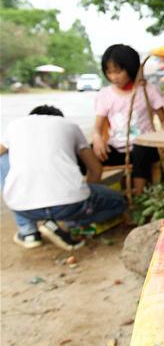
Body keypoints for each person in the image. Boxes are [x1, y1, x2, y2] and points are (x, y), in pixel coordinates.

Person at [1, 105, 126, 251]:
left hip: (22, 208)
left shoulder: (14, 126)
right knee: (119, 203)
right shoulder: (70, 126)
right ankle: (70, 224)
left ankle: (28, 232)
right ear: (59, 118)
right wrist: (85, 195)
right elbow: (96, 169)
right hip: (69, 206)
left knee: (3, 158)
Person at [93, 44, 164, 197]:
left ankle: (138, 197)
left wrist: (163, 143)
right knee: (86, 154)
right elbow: (97, 129)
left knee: (140, 149)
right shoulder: (105, 95)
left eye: (118, 71)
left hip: (146, 148)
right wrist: (97, 139)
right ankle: (96, 196)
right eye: (109, 72)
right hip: (118, 148)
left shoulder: (147, 90)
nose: (113, 77)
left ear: (130, 68)